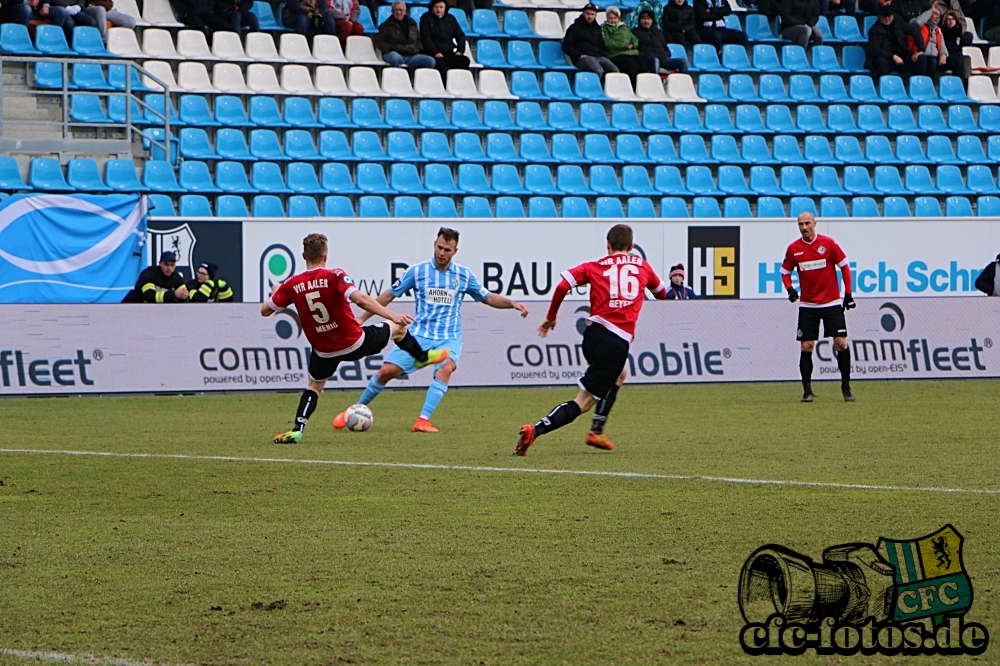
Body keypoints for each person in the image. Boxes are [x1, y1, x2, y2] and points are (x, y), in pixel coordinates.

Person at [335, 228, 529, 434]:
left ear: (455, 251)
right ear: (434, 245)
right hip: (418, 335)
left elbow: (488, 297)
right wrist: (363, 318)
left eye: (447, 249)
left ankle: (422, 420)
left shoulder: (463, 275)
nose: (441, 253)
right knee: (386, 372)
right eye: (439, 247)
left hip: (448, 337)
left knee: (446, 368)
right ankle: (355, 409)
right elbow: (389, 295)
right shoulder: (417, 271)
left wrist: (512, 303)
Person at [263, 233, 447, 444]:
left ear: (304, 255)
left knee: (314, 387)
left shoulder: (292, 284)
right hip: (354, 342)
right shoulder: (335, 275)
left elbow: (265, 311)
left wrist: (276, 290)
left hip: (323, 351)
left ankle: (298, 428)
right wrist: (393, 316)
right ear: (326, 256)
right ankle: (422, 357)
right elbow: (360, 299)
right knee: (397, 328)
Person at [515, 224, 668, 456]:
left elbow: (562, 285)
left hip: (592, 336)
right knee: (583, 402)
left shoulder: (595, 266)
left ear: (608, 246)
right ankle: (535, 430)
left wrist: (550, 318)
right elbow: (662, 294)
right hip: (615, 342)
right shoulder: (643, 266)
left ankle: (597, 429)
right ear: (632, 247)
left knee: (620, 374)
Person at [781, 212, 855, 403]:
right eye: (800, 224)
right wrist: (790, 289)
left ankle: (846, 387)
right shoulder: (794, 249)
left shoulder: (828, 244)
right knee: (806, 346)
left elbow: (845, 267)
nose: (804, 227)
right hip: (808, 305)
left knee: (841, 343)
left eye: (807, 223)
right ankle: (807, 391)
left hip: (831, 303)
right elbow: (785, 272)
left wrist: (848, 294)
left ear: (815, 223)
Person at [563, 3, 620, 79]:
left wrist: (602, 54)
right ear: (583, 13)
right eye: (587, 14)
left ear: (596, 15)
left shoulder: (597, 28)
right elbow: (566, 45)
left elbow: (601, 44)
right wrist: (578, 55)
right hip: (583, 57)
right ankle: (596, 89)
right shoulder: (574, 28)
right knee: (599, 71)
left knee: (615, 70)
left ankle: (608, 89)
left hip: (598, 56)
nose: (590, 16)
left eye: (592, 14)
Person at [865, 4, 925, 77]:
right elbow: (875, 50)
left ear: (893, 15)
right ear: (879, 16)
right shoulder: (873, 31)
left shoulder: (898, 21)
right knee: (880, 61)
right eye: (884, 16)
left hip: (903, 56)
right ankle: (886, 83)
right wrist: (893, 56)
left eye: (889, 16)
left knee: (921, 58)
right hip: (888, 60)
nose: (887, 19)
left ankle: (917, 83)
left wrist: (920, 50)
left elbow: (913, 30)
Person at [374, 1, 436, 69]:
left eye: (400, 10)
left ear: (405, 11)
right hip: (394, 53)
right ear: (392, 11)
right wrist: (393, 47)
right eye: (396, 10)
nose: (398, 12)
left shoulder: (412, 24)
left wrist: (418, 49)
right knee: (395, 58)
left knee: (430, 61)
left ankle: (418, 78)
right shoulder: (385, 26)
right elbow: (379, 42)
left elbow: (419, 39)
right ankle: (400, 77)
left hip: (411, 55)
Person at [602, 6, 649, 85]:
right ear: (607, 18)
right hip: (615, 54)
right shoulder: (604, 28)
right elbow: (607, 42)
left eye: (615, 18)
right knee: (631, 67)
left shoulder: (624, 27)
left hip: (631, 52)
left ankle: (643, 87)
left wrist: (633, 44)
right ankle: (632, 87)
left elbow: (634, 39)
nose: (613, 20)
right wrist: (624, 45)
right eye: (610, 18)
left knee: (643, 65)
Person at [420, 0, 470, 73]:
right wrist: (435, 52)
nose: (438, 10)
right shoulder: (426, 18)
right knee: (441, 65)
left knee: (464, 61)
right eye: (436, 7)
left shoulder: (450, 18)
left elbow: (460, 35)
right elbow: (426, 38)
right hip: (433, 54)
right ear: (432, 7)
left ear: (445, 8)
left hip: (449, 53)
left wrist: (460, 50)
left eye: (441, 7)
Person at [634, 8, 689, 74]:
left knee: (683, 62)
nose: (646, 21)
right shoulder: (635, 32)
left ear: (652, 20)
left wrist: (666, 54)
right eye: (644, 19)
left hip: (663, 59)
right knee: (655, 61)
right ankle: (656, 83)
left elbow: (665, 46)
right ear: (640, 20)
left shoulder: (658, 32)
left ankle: (680, 82)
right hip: (648, 59)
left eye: (648, 19)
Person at [121, 251, 189, 303]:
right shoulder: (149, 274)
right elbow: (150, 297)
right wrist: (173, 294)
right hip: (132, 308)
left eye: (172, 265)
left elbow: (185, 299)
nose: (169, 268)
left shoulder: (177, 278)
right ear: (160, 263)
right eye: (166, 264)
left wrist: (183, 296)